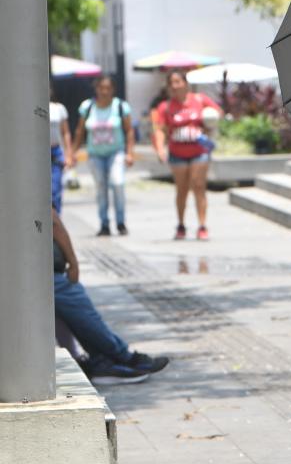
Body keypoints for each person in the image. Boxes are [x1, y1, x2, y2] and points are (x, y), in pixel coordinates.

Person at [51, 209, 169, 384]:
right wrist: (73, 262)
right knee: (76, 303)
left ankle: (102, 359)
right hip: (44, 269)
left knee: (67, 309)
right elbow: (51, 220)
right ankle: (119, 356)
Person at [152, 69, 220, 240]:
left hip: (199, 151)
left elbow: (218, 114)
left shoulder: (200, 100)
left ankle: (202, 225)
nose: (174, 86)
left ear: (185, 83)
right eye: (171, 83)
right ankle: (181, 224)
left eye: (178, 82)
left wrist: (208, 124)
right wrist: (160, 149)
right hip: (177, 152)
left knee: (198, 186)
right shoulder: (165, 107)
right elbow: (159, 130)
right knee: (182, 189)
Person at [73, 75, 135, 236]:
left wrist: (130, 153)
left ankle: (120, 222)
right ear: (96, 89)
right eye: (101, 88)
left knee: (117, 183)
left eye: (108, 88)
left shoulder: (120, 106)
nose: (104, 91)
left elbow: (129, 131)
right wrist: (72, 152)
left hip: (116, 152)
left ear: (113, 89)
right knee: (101, 188)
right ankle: (104, 223)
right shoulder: (87, 107)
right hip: (95, 154)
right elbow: (80, 131)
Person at [48, 82, 74, 213]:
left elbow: (66, 132)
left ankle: (56, 223)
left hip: (55, 150)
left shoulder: (58, 108)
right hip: (38, 153)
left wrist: (69, 154)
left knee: (55, 189)